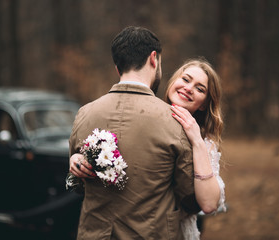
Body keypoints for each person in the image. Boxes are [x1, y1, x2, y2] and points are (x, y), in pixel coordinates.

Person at [68, 26, 200, 239]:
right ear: (153, 59)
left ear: (117, 67)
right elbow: (189, 196)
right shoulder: (175, 121)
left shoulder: (85, 114)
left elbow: (79, 185)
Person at [165, 58, 226, 239]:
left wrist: (197, 141)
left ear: (204, 104)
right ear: (173, 82)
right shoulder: (144, 115)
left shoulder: (204, 142)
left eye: (200, 89)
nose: (189, 88)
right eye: (185, 79)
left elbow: (208, 204)